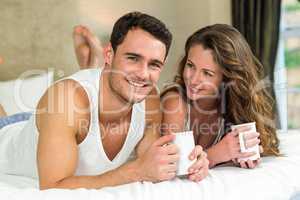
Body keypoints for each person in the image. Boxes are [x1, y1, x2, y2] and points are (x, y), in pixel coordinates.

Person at [0, 12, 209, 190]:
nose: (143, 74)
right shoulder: (62, 99)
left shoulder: (150, 99)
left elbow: (151, 160)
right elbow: (53, 186)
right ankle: (90, 69)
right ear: (110, 53)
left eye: (154, 64)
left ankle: (91, 68)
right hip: (8, 132)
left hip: (55, 123)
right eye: (133, 58)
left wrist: (189, 161)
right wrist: (135, 171)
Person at [160, 24, 280, 170]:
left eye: (207, 73)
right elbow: (176, 167)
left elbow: (265, 144)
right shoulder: (175, 102)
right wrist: (217, 154)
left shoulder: (233, 108)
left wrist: (243, 155)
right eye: (190, 65)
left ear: (227, 78)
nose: (193, 79)